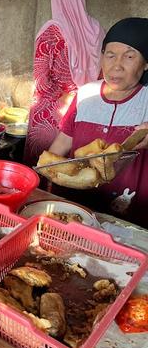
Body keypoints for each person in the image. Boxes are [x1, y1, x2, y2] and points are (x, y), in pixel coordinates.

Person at [49, 17, 148, 227]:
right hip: (76, 209)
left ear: (146, 63)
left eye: (129, 56)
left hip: (127, 216)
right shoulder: (86, 94)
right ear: (101, 57)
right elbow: (61, 145)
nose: (117, 66)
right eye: (110, 55)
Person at [24, 0, 105, 166]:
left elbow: (41, 83)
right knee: (71, 169)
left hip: (51, 114)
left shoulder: (52, 31)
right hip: (85, 109)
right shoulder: (96, 29)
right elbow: (103, 75)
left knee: (43, 167)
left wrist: (61, 97)